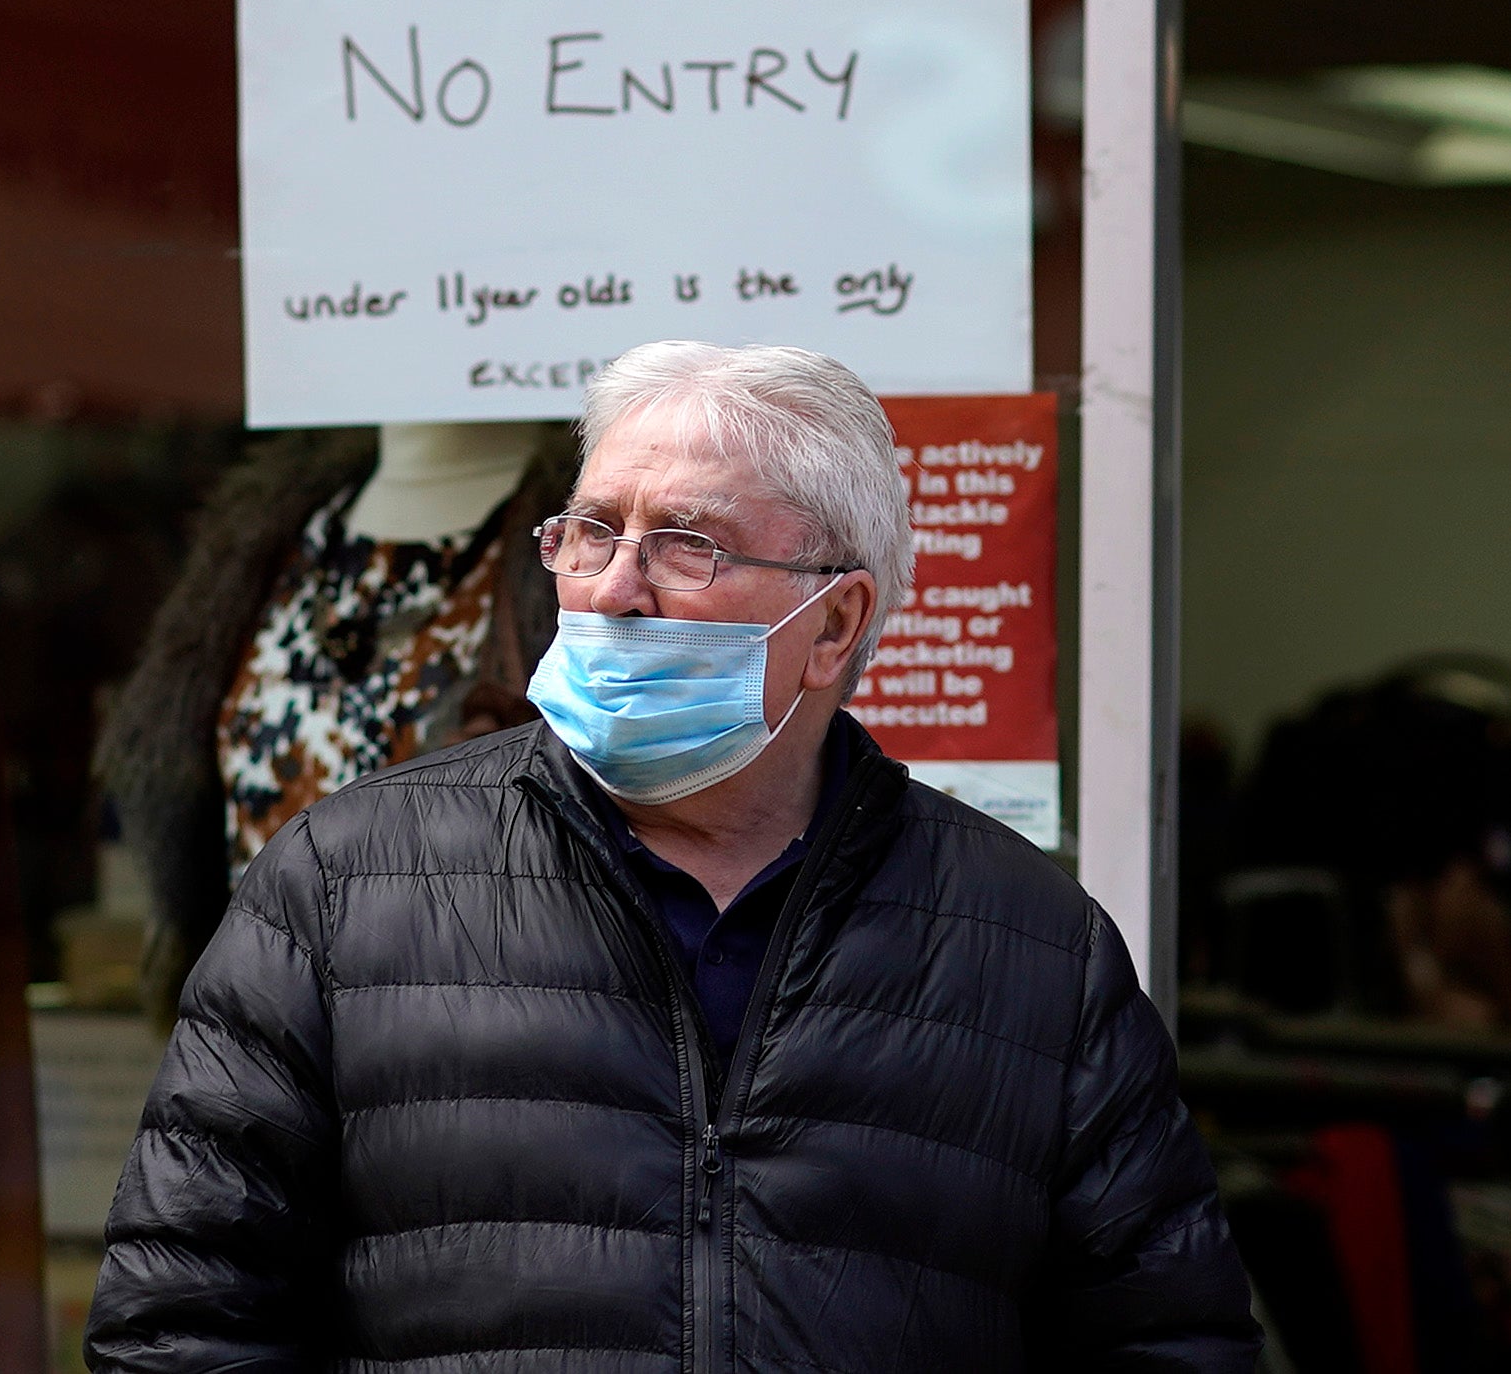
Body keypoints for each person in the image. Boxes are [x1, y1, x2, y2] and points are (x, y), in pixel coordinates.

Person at [86, 341, 1259, 1371]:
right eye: (592, 531)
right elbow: (178, 1323)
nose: (611, 589)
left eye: (685, 546)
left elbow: (1164, 1342)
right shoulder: (341, 889)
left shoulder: (1030, 948)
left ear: (836, 625)